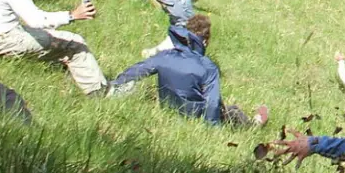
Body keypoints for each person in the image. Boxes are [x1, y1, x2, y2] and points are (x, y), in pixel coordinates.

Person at [107, 15, 268, 127]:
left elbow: (137, 70)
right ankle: (255, 123)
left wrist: (114, 84)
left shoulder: (164, 56)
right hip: (195, 115)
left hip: (168, 108)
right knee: (232, 111)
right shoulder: (208, 67)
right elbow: (212, 102)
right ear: (204, 41)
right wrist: (212, 129)